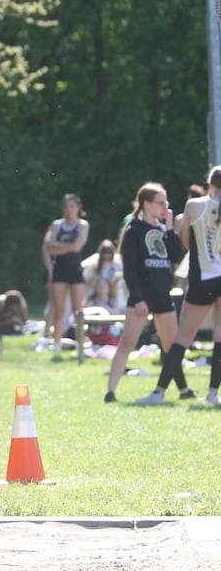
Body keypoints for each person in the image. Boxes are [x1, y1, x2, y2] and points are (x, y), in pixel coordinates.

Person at [134, 167, 221, 405]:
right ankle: (213, 393)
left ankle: (159, 392)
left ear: (210, 185)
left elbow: (185, 245)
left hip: (202, 277)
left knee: (182, 338)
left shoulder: (195, 205)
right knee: (219, 337)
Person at [104, 183, 185, 403]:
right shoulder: (134, 230)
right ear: (146, 204)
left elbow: (177, 255)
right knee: (127, 344)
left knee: (172, 346)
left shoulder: (162, 230)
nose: (164, 207)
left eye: (165, 202)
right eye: (160, 202)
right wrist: (139, 299)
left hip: (162, 295)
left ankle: (183, 389)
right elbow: (129, 270)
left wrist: (169, 227)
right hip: (142, 297)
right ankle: (110, 391)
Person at [42, 193, 90, 359]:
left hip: (74, 270)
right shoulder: (57, 225)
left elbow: (77, 247)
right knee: (59, 310)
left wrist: (60, 247)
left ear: (78, 208)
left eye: (72, 207)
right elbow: (49, 247)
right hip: (59, 271)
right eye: (66, 207)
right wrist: (68, 247)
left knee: (78, 311)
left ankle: (80, 348)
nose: (69, 210)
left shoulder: (83, 225)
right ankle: (56, 347)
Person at [81, 239, 126, 314]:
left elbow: (126, 274)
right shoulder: (95, 265)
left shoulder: (117, 263)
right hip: (98, 299)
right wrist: (95, 279)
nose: (106, 256)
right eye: (104, 253)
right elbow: (84, 277)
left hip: (114, 298)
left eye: (109, 253)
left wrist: (116, 277)